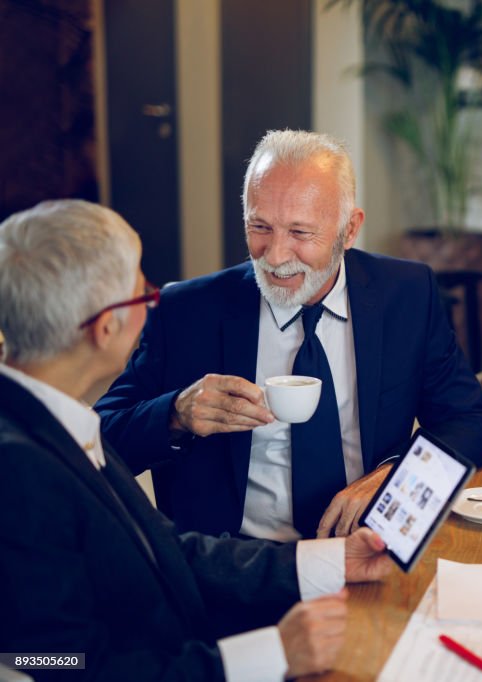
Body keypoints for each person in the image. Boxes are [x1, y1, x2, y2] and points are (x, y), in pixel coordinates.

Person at [0, 200, 393, 680]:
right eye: (141, 292)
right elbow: (49, 666)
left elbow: (164, 548)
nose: (153, 301)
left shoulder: (53, 421)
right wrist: (272, 655)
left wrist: (331, 561)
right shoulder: (18, 472)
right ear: (106, 328)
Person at [96, 130, 482, 541]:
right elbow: (97, 437)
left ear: (350, 229)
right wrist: (176, 415)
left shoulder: (407, 294)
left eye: (300, 233)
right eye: (260, 227)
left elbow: (469, 422)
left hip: (366, 547)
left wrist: (394, 478)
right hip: (234, 565)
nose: (275, 256)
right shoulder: (187, 310)